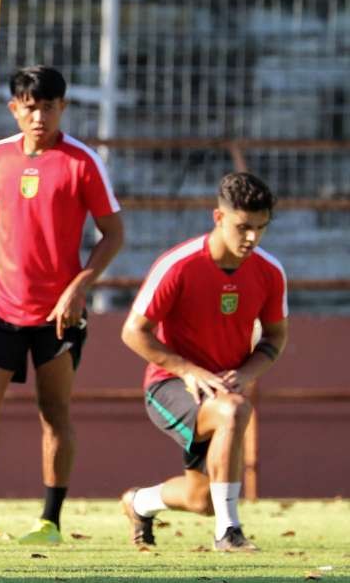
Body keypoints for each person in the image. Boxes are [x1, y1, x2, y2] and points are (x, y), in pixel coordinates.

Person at [0, 65, 125, 545]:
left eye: (49, 107)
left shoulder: (82, 162)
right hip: (0, 305)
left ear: (62, 107)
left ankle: (50, 519)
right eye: (30, 107)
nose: (39, 116)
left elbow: (114, 235)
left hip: (57, 312)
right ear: (15, 109)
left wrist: (79, 286)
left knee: (54, 409)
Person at [120, 172, 288, 552]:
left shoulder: (269, 271)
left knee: (201, 499)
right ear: (218, 218)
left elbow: (276, 337)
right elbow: (133, 332)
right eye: (243, 227)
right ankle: (229, 533)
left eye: (261, 228)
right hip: (168, 384)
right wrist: (188, 370)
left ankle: (138, 503)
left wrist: (244, 373)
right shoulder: (179, 265)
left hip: (220, 392)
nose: (252, 238)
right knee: (233, 410)